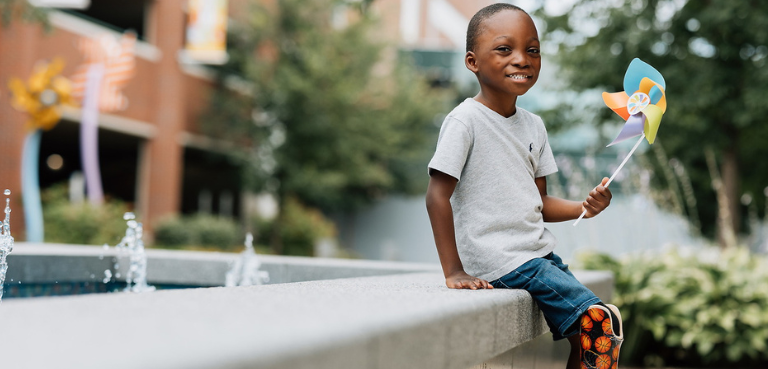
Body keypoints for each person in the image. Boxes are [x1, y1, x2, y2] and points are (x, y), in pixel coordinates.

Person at [425, 3, 623, 369]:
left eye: (532, 50)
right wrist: (453, 271)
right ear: (473, 62)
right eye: (505, 49)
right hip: (500, 260)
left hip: (536, 256)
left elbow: (540, 202)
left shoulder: (534, 127)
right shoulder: (464, 121)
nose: (522, 59)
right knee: (598, 321)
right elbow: (437, 196)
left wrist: (585, 206)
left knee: (591, 329)